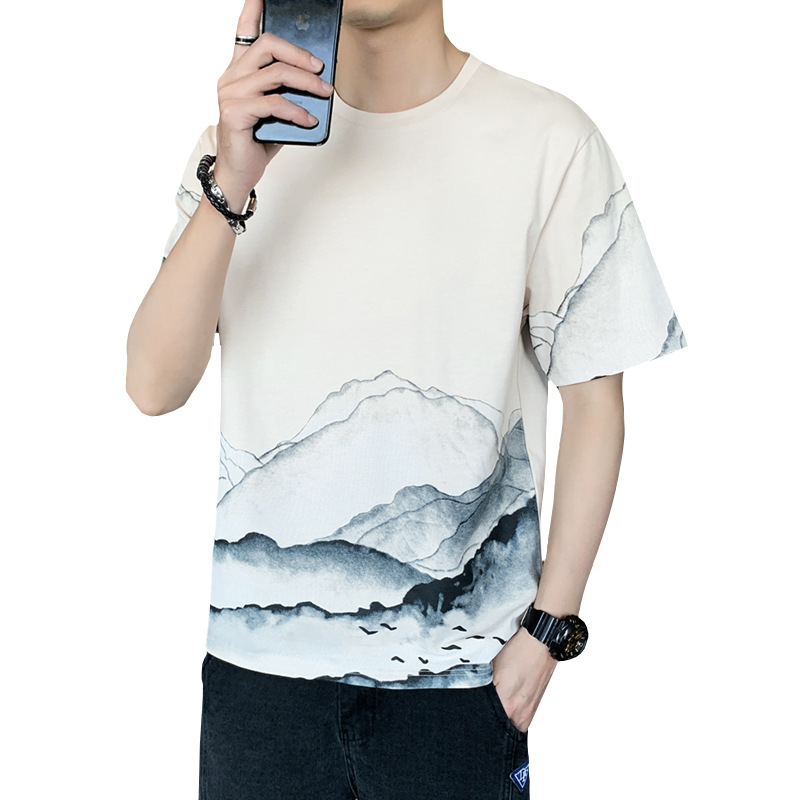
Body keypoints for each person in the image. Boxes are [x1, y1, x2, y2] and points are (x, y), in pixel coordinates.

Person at [126, 0, 688, 797]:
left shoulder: (548, 140)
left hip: (460, 691)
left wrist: (548, 631)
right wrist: (234, 178)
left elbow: (595, 399)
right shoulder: (241, 147)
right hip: (258, 689)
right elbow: (153, 386)